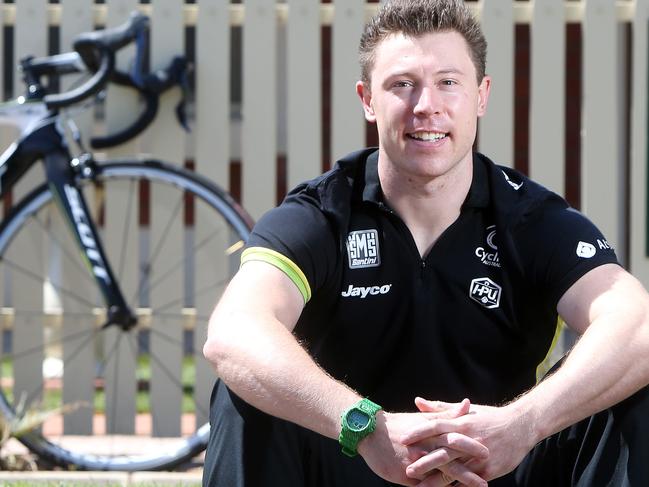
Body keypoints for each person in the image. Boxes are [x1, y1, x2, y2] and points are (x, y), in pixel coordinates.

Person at [202, 0, 649, 485]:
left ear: (481, 95)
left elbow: (637, 325)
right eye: (402, 84)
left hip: (499, 465)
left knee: (630, 380)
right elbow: (234, 332)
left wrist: (524, 424)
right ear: (367, 99)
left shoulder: (530, 219)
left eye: (448, 82)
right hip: (353, 462)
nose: (426, 105)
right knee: (244, 389)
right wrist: (367, 428)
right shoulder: (324, 213)